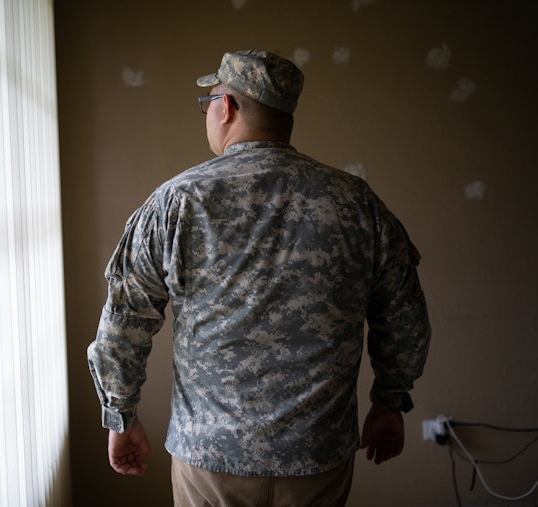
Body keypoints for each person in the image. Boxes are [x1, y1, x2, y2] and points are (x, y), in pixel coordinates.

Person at [87, 49, 431, 506]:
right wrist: (389, 402)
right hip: (317, 456)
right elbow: (404, 317)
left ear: (225, 106)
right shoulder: (356, 204)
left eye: (208, 102)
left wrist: (120, 415)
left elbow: (125, 320)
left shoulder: (177, 202)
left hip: (210, 459)